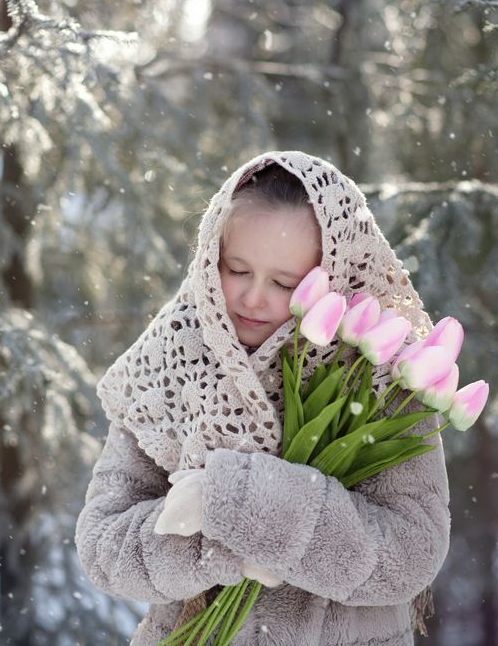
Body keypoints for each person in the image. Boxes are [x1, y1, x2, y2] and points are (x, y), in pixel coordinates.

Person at [75, 151, 451, 646]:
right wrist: (212, 546)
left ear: (335, 275)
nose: (253, 299)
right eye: (235, 270)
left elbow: (411, 552)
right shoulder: (172, 361)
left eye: (284, 283)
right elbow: (103, 546)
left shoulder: (383, 374)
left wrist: (249, 505)